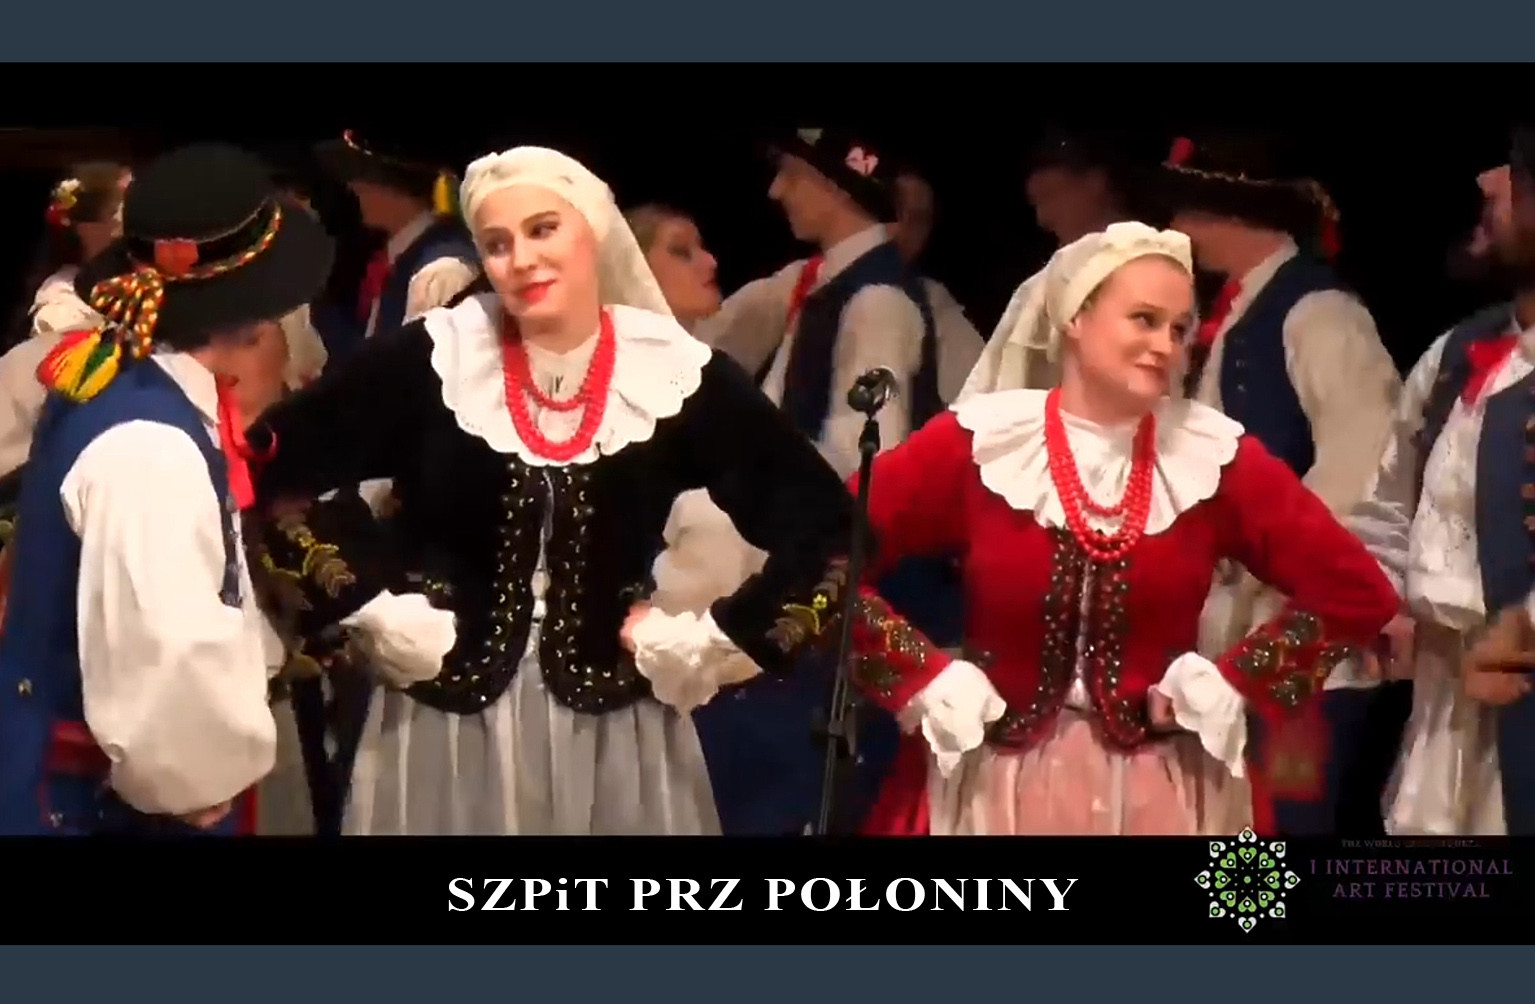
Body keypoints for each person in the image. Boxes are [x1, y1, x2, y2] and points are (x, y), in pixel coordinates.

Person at [243, 145, 856, 836]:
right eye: (497, 243)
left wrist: (715, 641)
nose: (522, 260)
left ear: (592, 230)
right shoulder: (436, 358)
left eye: (542, 230)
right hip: (441, 727)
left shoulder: (671, 373)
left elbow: (831, 535)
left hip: (614, 733)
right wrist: (369, 603)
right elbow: (272, 471)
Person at [836, 221, 1398, 835]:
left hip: (1168, 796)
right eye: (1144, 320)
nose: (1166, 345)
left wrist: (1239, 682)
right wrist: (920, 676)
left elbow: (1357, 592)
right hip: (990, 791)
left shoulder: (1211, 457)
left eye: (1180, 329)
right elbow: (817, 561)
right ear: (1076, 318)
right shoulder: (982, 444)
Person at [0, 143, 335, 835]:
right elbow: (169, 656)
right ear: (258, 326)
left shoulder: (116, 377)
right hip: (99, 811)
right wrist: (198, 775)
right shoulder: (153, 449)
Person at [1157, 133, 1405, 836]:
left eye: (1189, 209)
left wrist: (1272, 549)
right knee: (1235, 827)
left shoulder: (1317, 311)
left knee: (1283, 828)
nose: (1178, 228)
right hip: (1238, 630)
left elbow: (1366, 459)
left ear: (1232, 212)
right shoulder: (1239, 314)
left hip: (1304, 636)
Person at [1351, 126, 1535, 836]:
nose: (1488, 182)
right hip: (1444, 721)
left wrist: (1519, 631)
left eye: (1516, 171)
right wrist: (1372, 605)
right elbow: (1386, 514)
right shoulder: (1460, 352)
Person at [312, 129, 481, 361]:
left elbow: (422, 371)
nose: (353, 188)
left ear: (391, 187)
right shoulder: (396, 257)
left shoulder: (440, 273)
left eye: (362, 178)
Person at [889, 164, 985, 404]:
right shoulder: (807, 278)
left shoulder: (932, 303)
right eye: (895, 212)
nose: (905, 229)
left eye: (919, 220)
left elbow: (980, 393)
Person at [1023, 132, 1134, 249]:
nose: (1042, 219)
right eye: (1037, 204)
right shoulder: (1070, 258)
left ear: (1095, 183)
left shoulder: (1139, 251)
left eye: (1049, 196)